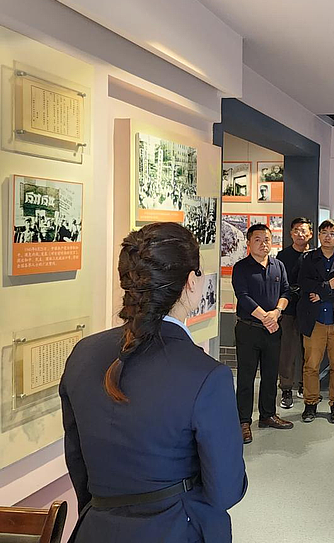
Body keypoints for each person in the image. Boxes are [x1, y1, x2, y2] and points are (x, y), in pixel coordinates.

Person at [60, 223, 246, 542]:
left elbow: (78, 463)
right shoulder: (208, 376)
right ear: (191, 282)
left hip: (96, 528)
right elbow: (225, 490)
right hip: (177, 530)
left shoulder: (82, 353)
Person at [232, 223, 292, 443]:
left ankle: (268, 414)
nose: (263, 243)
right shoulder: (241, 267)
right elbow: (243, 296)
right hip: (248, 329)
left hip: (273, 329)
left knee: (270, 375)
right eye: (257, 239)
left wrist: (276, 312)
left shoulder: (278, 266)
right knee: (246, 377)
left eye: (266, 239)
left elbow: (286, 291)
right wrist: (266, 318)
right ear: (249, 243)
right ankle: (243, 421)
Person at [296, 219, 334, 424]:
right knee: (311, 365)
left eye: (332, 233)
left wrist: (322, 293)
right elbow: (304, 283)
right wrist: (329, 285)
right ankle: (310, 403)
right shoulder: (308, 258)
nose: (328, 237)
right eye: (324, 232)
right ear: (318, 234)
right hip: (315, 321)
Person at [276, 217, 314, 410]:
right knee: (287, 350)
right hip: (289, 309)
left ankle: (304, 385)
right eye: (296, 230)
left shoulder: (315, 256)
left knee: (309, 350)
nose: (300, 234)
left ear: (310, 234)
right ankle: (286, 389)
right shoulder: (282, 256)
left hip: (310, 309)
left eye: (304, 230)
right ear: (291, 233)